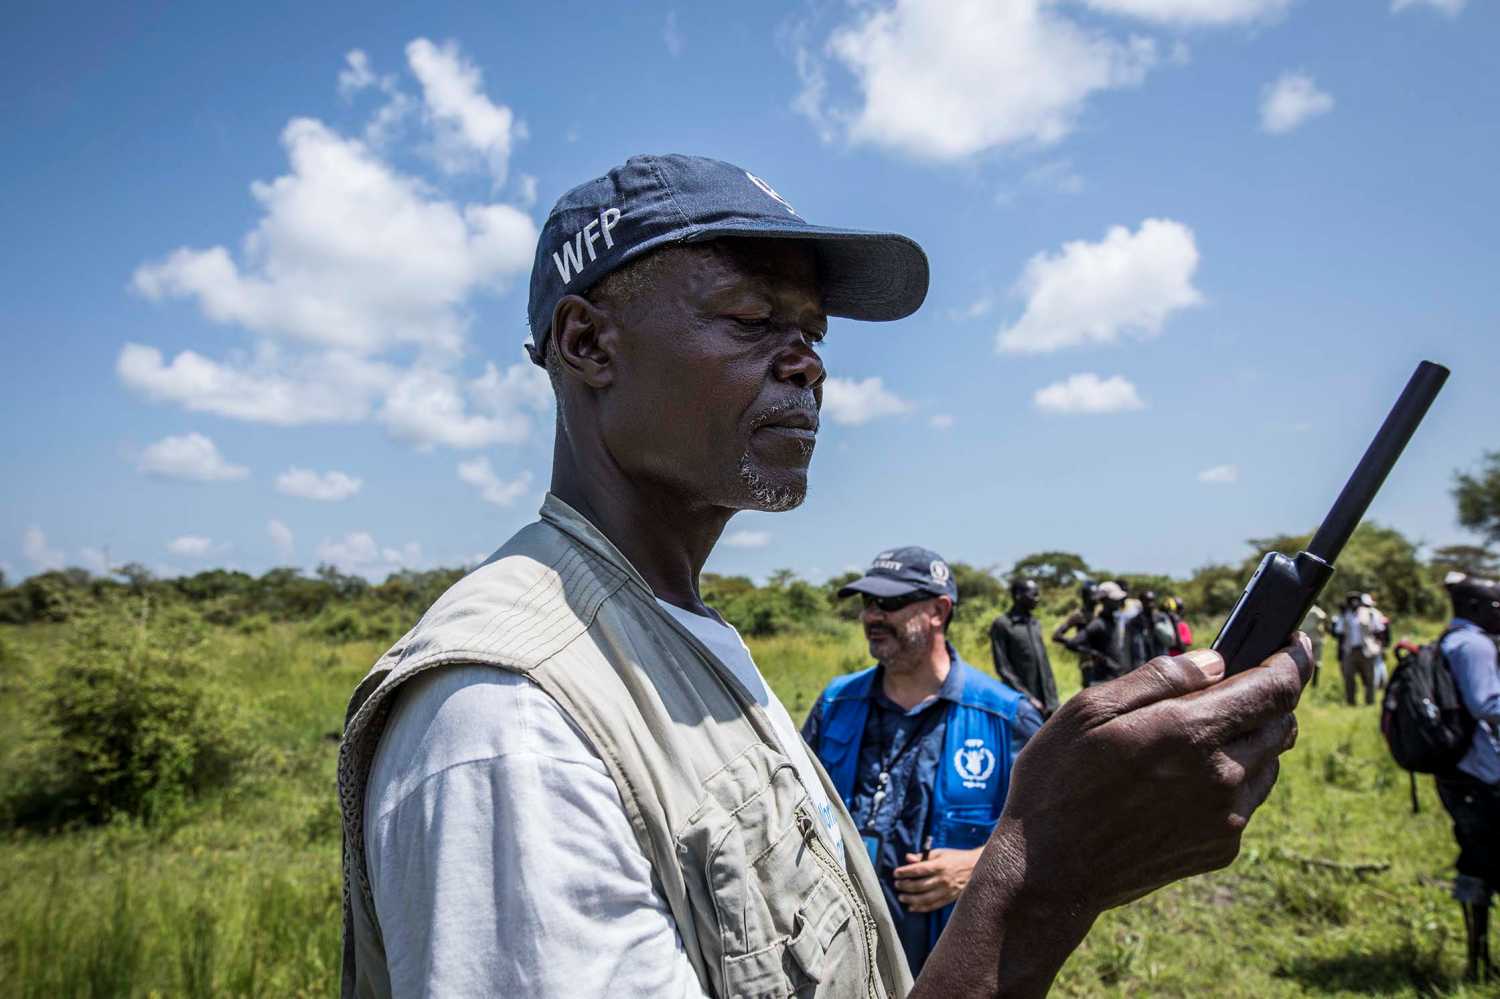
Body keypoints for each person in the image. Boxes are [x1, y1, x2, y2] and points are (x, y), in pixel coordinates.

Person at [335, 153, 1314, 999]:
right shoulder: (508, 722)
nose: (805, 365)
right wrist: (1040, 879)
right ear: (590, 343)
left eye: (814, 335)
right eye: (754, 318)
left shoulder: (681, 634)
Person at [802, 549, 1043, 974]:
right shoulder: (837, 702)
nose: (873, 616)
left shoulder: (1005, 717)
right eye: (867, 603)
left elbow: (1053, 831)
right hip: (836, 944)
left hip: (950, 957)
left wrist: (977, 865)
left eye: (890, 603)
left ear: (938, 610)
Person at [1435, 573, 1500, 983]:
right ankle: (1478, 964)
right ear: (1476, 608)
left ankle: (1478, 960)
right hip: (1482, 773)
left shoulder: (1449, 639)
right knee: (1483, 862)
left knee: (1478, 860)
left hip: (1459, 771)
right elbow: (1485, 703)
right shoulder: (1473, 644)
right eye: (1497, 606)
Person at [988, 577, 1060, 717]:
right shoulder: (1002, 624)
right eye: (1033, 594)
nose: (1037, 598)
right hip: (1023, 705)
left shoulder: (1035, 623)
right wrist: (1028, 698)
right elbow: (1003, 668)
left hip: (1048, 703)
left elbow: (1045, 665)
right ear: (1018, 595)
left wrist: (1053, 700)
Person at [1065, 580, 1131, 683]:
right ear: (1104, 600)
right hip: (1103, 680)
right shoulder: (1098, 624)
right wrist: (1094, 654)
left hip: (1115, 676)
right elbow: (1072, 643)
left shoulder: (1114, 621)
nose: (1118, 601)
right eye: (1114, 599)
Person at [1334, 590, 1385, 705]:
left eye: (1356, 600)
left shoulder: (1370, 613)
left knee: (1369, 679)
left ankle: (1370, 702)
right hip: (1350, 651)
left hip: (1366, 650)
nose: (1354, 603)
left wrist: (1379, 647)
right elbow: (1339, 632)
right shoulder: (1345, 615)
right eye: (1351, 600)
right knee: (1349, 678)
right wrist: (1340, 654)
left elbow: (1379, 630)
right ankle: (1351, 702)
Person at [1052, 579, 1100, 687]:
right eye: (1094, 595)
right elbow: (1056, 636)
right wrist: (1079, 647)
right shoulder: (1078, 615)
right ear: (1086, 597)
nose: (1097, 598)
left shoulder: (1099, 614)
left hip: (1102, 662)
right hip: (1087, 662)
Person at [1125, 590, 1177, 670]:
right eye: (1147, 601)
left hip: (1161, 666)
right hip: (1140, 667)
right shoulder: (1134, 622)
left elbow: (1171, 641)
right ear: (1141, 602)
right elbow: (1127, 647)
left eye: (1152, 601)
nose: (1150, 604)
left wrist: (1157, 626)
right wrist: (1127, 668)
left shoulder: (1162, 618)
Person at [1299, 603, 1328, 688]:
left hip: (1304, 638)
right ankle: (1314, 683)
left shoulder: (1304, 608)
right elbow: (1324, 616)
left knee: (1303, 661)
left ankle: (1302, 682)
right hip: (1315, 638)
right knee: (1317, 662)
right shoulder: (1315, 609)